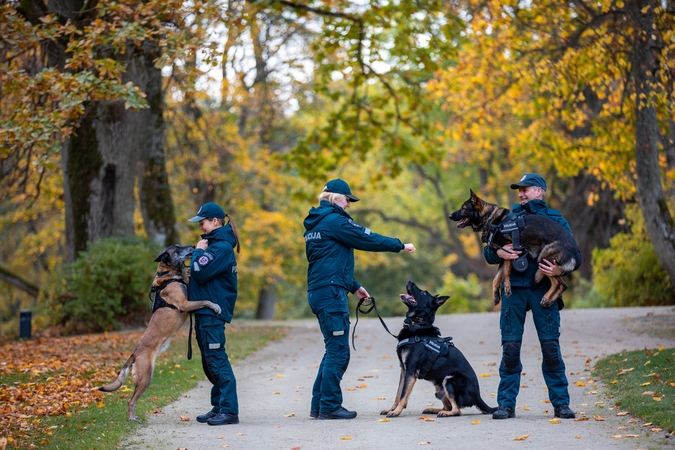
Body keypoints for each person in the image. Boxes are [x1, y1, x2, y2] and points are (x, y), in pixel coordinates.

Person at [303, 178, 416, 420]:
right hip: (330, 293)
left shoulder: (315, 224)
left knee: (332, 350)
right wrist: (399, 245)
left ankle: (319, 406)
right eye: (348, 199)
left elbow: (326, 261)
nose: (350, 204)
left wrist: (354, 286)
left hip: (320, 290)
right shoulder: (335, 221)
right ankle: (330, 407)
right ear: (335, 198)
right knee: (339, 353)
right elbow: (368, 238)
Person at [484, 173, 578, 420]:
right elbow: (489, 252)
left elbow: (574, 254)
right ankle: (505, 404)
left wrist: (560, 270)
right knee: (511, 348)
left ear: (540, 191)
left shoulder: (556, 220)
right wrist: (500, 253)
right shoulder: (509, 218)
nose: (521, 193)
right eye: (519, 190)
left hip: (542, 290)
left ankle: (561, 404)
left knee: (550, 349)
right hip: (513, 289)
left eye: (526, 189)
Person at [187, 202, 241, 426]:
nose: (201, 226)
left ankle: (229, 411)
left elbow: (199, 272)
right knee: (209, 362)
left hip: (213, 312)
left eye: (203, 222)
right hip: (204, 311)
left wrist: (199, 250)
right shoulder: (215, 244)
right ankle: (218, 406)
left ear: (216, 222)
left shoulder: (221, 248)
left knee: (217, 360)